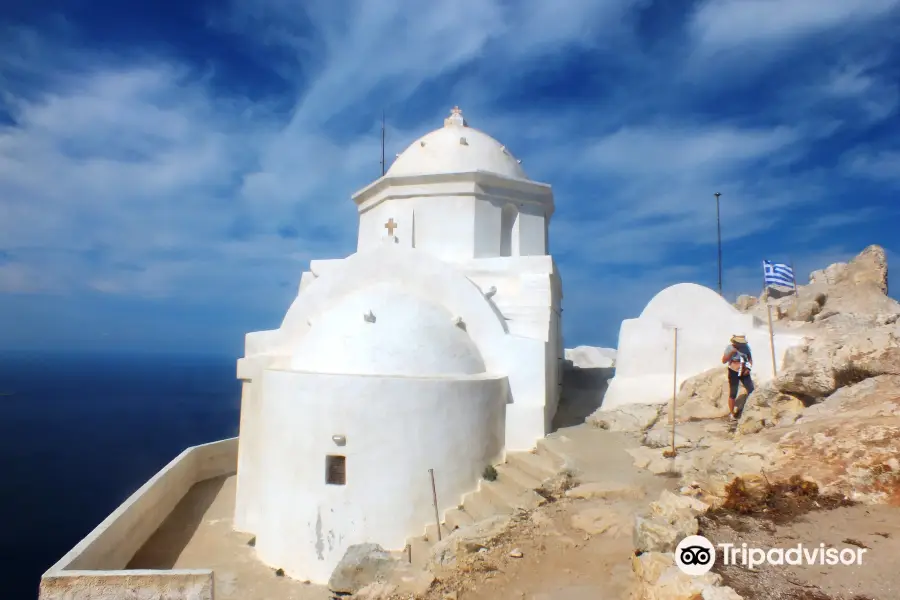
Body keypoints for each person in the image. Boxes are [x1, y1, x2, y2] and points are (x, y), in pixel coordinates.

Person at [722, 334, 754, 419]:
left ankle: (751, 408)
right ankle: (732, 413)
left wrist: (748, 369)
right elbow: (724, 361)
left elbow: (750, 359)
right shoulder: (730, 348)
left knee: (751, 390)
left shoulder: (746, 347)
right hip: (734, 371)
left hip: (744, 371)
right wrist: (731, 354)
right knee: (733, 393)